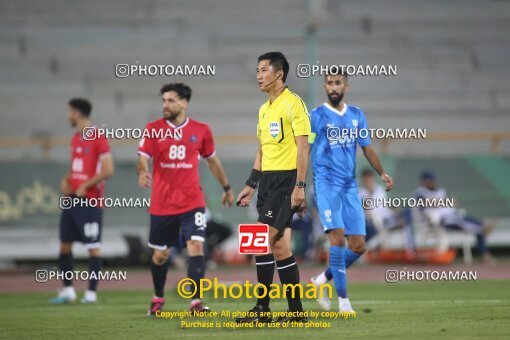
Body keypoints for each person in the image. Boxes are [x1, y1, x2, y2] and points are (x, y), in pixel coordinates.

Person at [137, 83, 234, 315]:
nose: (165, 105)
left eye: (170, 100)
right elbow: (142, 158)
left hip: (192, 202)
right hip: (162, 204)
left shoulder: (201, 130)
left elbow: (212, 161)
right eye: (163, 100)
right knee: (160, 255)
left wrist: (227, 187)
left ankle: (196, 302)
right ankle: (158, 297)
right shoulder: (153, 129)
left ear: (184, 103)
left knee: (196, 245)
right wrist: (142, 171)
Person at [308, 72, 393, 315]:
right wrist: (298, 187)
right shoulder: (316, 116)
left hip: (349, 187)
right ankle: (343, 301)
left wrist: (382, 173)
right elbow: (305, 150)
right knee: (337, 238)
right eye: (330, 83)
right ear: (325, 86)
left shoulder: (357, 115)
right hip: (325, 187)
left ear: (346, 85)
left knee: (358, 246)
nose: (333, 87)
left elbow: (367, 148)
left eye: (338, 83)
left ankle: (321, 280)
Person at [236, 52, 311, 324]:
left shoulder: (294, 104)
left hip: (287, 181)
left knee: (260, 241)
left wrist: (300, 186)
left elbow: (304, 148)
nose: (258, 75)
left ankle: (262, 309)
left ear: (279, 74)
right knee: (280, 248)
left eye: (264, 70)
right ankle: (296, 313)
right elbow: (262, 150)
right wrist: (251, 184)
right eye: (257, 70)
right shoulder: (264, 108)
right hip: (267, 181)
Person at [50, 98, 114, 304]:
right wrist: (66, 179)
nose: (68, 115)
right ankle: (68, 291)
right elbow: (76, 167)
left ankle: (91, 294)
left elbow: (108, 170)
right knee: (65, 246)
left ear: (77, 112)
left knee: (93, 247)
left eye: (70, 111)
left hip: (90, 202)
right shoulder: (76, 138)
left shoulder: (98, 137)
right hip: (71, 200)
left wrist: (86, 185)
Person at [413, 171, 495, 262]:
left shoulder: (441, 191)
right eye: (429, 180)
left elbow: (452, 203)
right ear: (423, 182)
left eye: (432, 180)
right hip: (436, 220)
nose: (432, 182)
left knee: (466, 221)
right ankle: (482, 225)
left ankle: (485, 253)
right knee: (462, 220)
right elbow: (425, 205)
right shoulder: (420, 192)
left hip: (451, 217)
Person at [359, 168, 415, 251]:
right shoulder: (360, 193)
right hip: (375, 221)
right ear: (363, 180)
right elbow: (365, 211)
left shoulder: (380, 189)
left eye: (370, 178)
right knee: (378, 222)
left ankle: (411, 250)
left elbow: (384, 205)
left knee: (408, 212)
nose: (368, 181)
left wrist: (394, 209)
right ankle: (378, 247)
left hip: (388, 216)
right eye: (366, 179)